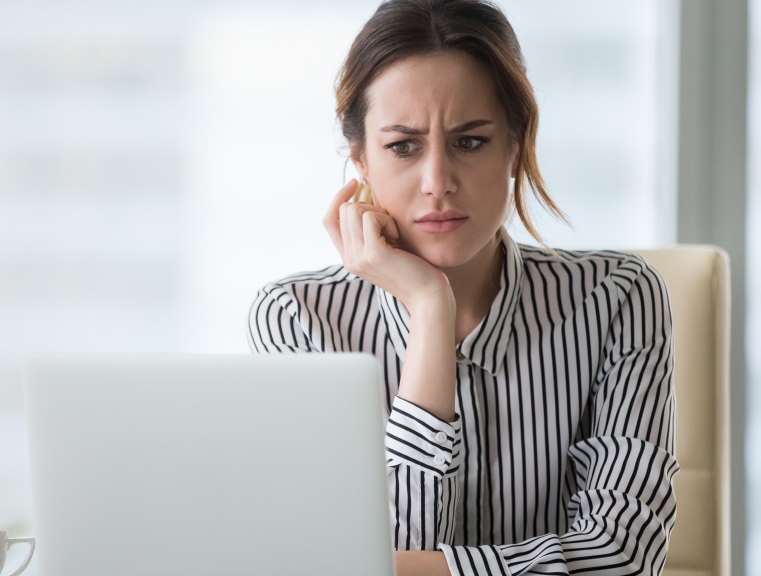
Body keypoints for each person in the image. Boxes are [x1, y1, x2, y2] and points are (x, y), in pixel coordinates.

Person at [248, 1, 678, 574]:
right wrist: (430, 311)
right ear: (361, 160)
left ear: (515, 146)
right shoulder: (297, 319)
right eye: (403, 146)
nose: (437, 183)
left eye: (469, 142)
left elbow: (621, 558)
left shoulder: (619, 298)